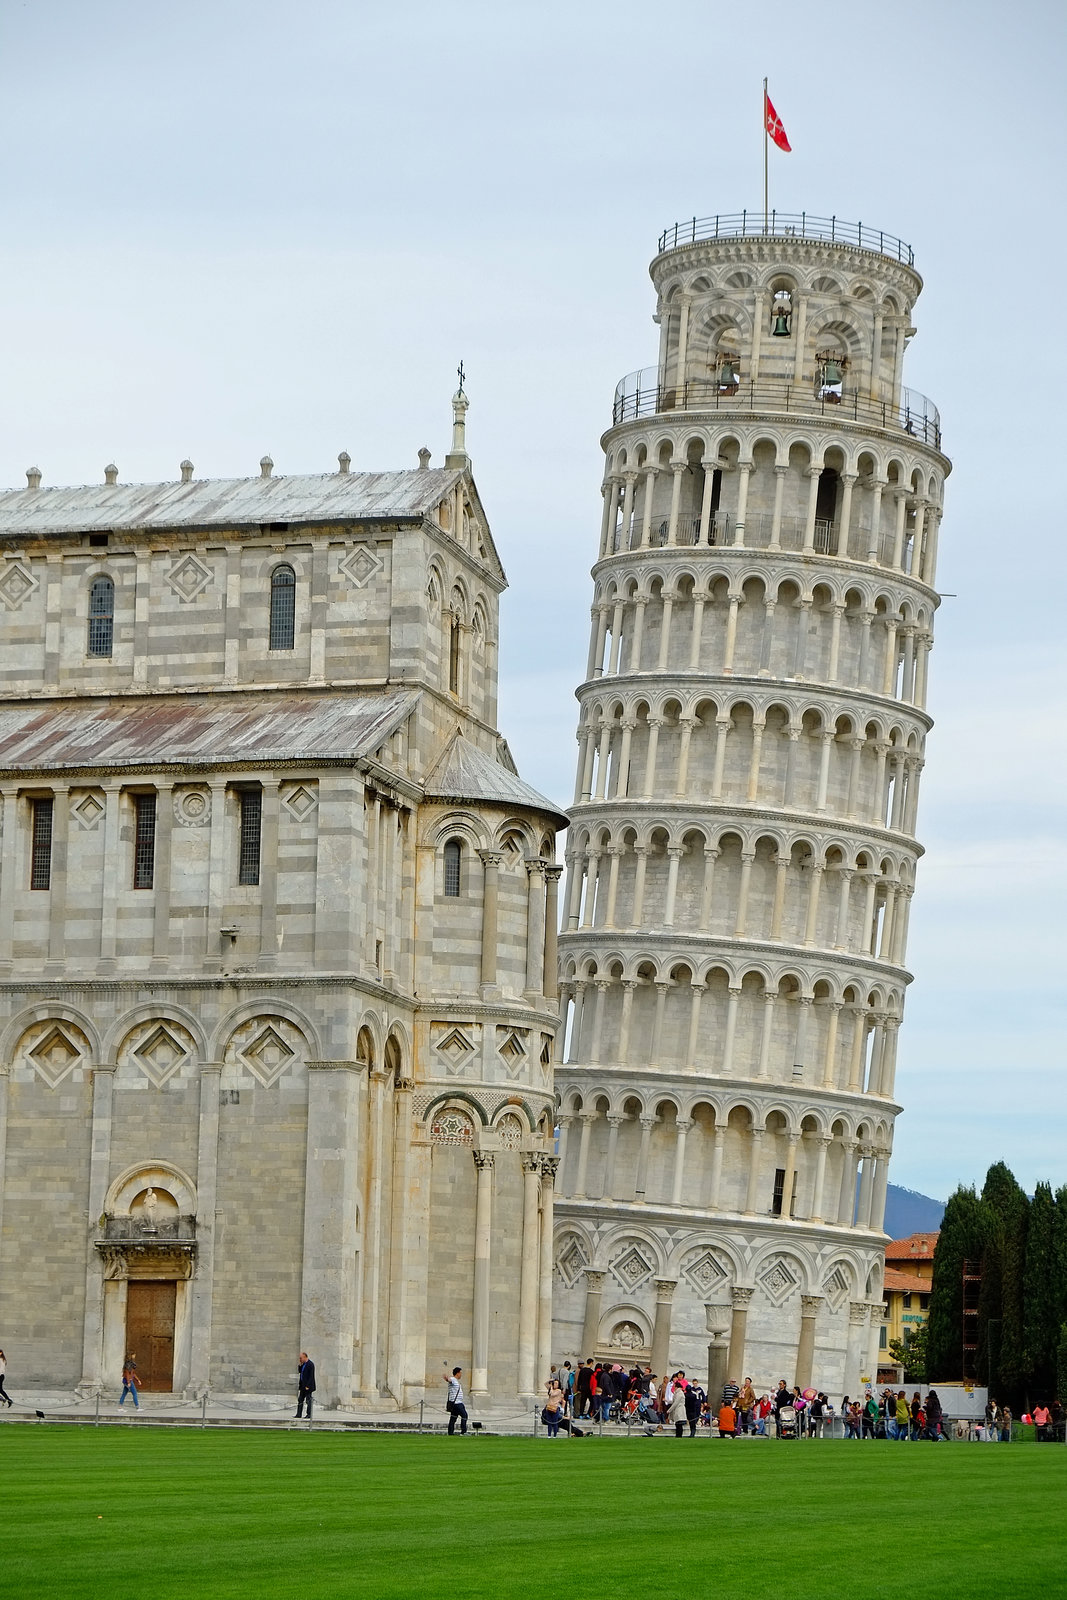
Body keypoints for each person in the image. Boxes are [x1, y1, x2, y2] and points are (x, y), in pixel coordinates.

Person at [445, 1366, 468, 1435]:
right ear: (457, 1373)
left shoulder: (455, 1381)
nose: (461, 1374)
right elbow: (450, 1380)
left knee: (453, 1418)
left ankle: (450, 1432)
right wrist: (447, 1379)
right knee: (464, 1415)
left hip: (454, 1403)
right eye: (460, 1373)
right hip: (457, 1403)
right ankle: (463, 1432)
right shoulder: (453, 1379)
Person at [296, 1352, 315, 1419]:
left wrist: (308, 1386)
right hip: (302, 1386)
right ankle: (298, 1414)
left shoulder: (310, 1364)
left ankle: (309, 1414)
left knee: (308, 1400)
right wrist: (300, 1365)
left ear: (304, 1357)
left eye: (301, 1358)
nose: (300, 1359)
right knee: (300, 1399)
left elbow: (311, 1376)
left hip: (307, 1386)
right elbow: (300, 1372)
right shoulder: (303, 1364)